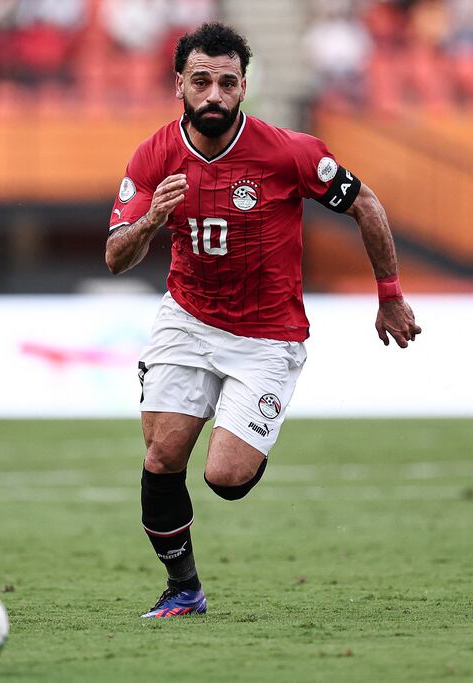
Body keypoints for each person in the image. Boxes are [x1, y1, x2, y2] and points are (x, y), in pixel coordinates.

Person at [104, 22, 421, 619]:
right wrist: (151, 220)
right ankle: (184, 591)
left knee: (226, 476)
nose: (214, 95)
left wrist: (390, 294)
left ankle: (249, 432)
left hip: (267, 334)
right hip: (189, 318)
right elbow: (116, 256)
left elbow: (367, 204)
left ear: (244, 85)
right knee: (162, 458)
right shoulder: (154, 155)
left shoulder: (289, 153)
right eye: (201, 82)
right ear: (180, 85)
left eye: (227, 82)